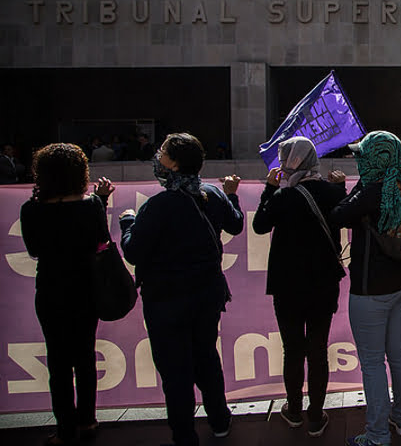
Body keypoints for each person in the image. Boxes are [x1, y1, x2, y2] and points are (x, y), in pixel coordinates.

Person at [119, 133, 243, 446]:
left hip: (166, 301)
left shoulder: (158, 206)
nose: (157, 156)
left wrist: (127, 224)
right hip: (207, 294)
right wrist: (232, 195)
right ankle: (219, 420)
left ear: (173, 164)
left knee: (175, 371)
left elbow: (133, 252)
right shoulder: (212, 194)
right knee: (206, 358)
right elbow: (236, 223)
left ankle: (185, 434)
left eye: (162, 152)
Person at [20, 144, 115, 445]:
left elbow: (34, 250)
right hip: (86, 287)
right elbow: (101, 241)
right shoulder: (90, 206)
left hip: (50, 288)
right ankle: (87, 420)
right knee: (85, 356)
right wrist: (101, 200)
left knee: (58, 362)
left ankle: (65, 430)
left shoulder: (31, 209)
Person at [252, 136, 347, 437]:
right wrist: (340, 187)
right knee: (318, 349)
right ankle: (316, 415)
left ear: (290, 161)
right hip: (323, 283)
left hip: (287, 286)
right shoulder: (331, 191)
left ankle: (293, 411)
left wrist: (269, 188)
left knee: (292, 349)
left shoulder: (283, 196)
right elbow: (342, 215)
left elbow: (259, 226)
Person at [331, 131, 401, 446]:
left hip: (371, 289)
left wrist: (345, 187)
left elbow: (338, 214)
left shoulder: (370, 192)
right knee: (399, 352)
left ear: (374, 158)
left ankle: (378, 434)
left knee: (371, 362)